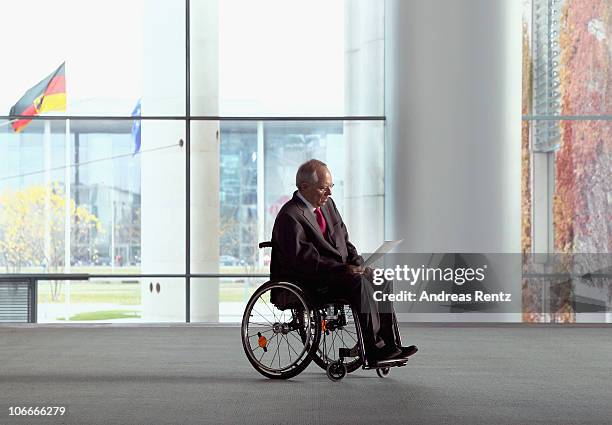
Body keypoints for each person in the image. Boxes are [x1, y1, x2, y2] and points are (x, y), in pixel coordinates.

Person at [271, 159, 417, 364]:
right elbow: (303, 261)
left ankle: (390, 344)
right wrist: (344, 269)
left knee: (380, 279)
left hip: (338, 273)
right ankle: (374, 348)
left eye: (331, 187)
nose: (329, 194)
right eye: (323, 188)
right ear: (304, 187)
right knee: (358, 284)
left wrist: (360, 265)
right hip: (312, 281)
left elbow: (344, 241)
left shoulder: (328, 205)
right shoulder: (290, 215)